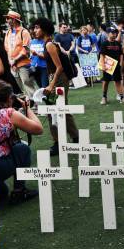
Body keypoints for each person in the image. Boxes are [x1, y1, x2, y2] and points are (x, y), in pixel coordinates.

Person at [33, 17, 80, 155]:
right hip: (56, 78)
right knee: (60, 109)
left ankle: (59, 143)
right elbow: (52, 62)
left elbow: (58, 67)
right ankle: (74, 137)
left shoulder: (49, 45)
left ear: (44, 28)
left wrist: (51, 85)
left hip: (57, 79)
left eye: (37, 27)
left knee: (52, 110)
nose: (35, 30)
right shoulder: (48, 43)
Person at [4, 11, 38, 97]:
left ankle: (35, 106)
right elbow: (7, 49)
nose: (6, 20)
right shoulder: (8, 32)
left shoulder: (24, 32)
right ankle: (26, 106)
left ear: (14, 20)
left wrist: (15, 60)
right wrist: (10, 61)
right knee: (19, 88)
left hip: (24, 64)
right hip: (13, 65)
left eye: (8, 18)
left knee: (28, 85)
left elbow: (26, 50)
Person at [99, 27, 124, 105]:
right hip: (107, 65)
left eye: (115, 33)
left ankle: (122, 98)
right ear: (108, 33)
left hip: (116, 66)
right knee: (106, 82)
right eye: (112, 33)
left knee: (118, 81)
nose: (114, 34)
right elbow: (102, 55)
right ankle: (104, 97)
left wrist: (121, 63)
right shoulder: (104, 43)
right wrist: (103, 65)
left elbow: (121, 54)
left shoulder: (118, 43)